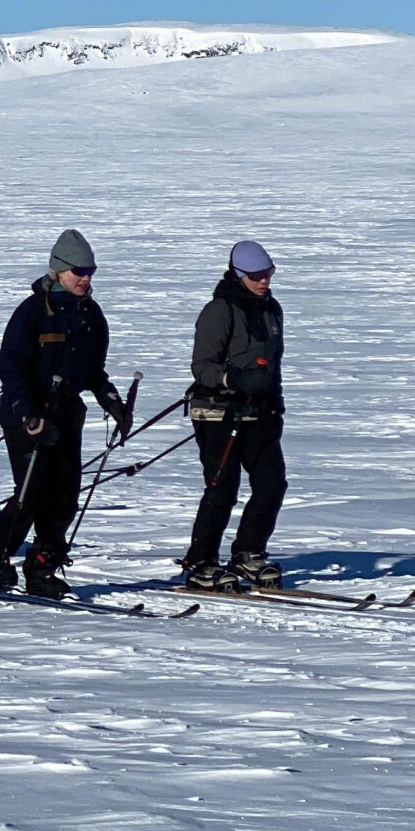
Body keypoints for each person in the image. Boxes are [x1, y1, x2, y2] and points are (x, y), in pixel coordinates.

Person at [0, 229, 132, 599]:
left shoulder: (91, 315)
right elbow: (11, 367)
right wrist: (30, 415)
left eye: (90, 271)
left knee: (65, 495)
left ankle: (44, 565)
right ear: (58, 270)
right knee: (32, 492)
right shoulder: (33, 312)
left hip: (67, 413)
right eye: (79, 271)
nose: (86, 278)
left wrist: (111, 401)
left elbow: (93, 370)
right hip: (28, 414)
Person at [183, 240, 288, 589]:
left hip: (259, 413)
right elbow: (202, 367)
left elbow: (274, 366)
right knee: (222, 488)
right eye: (256, 276)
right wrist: (233, 378)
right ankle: (201, 561)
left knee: (272, 484)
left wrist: (275, 402)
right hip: (217, 413)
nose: (263, 282)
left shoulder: (272, 310)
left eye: (268, 274)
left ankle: (248, 553)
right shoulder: (219, 311)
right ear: (239, 274)